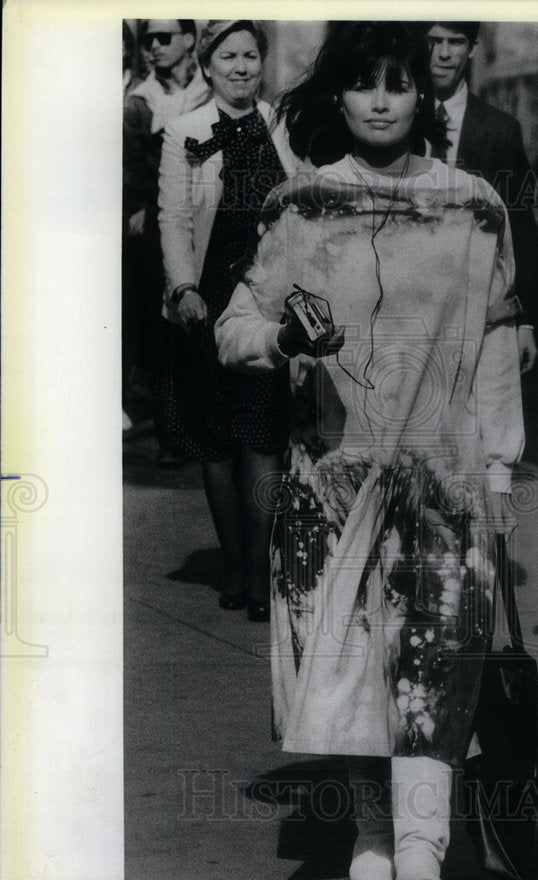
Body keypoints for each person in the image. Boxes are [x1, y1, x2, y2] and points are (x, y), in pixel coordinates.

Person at [215, 22, 524, 880]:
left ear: (421, 95)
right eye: (364, 84)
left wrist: (501, 465)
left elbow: (499, 344)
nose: (383, 100)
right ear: (339, 97)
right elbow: (235, 325)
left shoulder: (473, 206)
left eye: (398, 83)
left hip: (443, 474)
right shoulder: (300, 206)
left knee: (433, 657)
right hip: (330, 475)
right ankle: (376, 825)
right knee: (346, 655)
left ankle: (423, 857)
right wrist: (278, 341)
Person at [158, 20, 301, 620]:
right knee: (217, 442)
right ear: (208, 66)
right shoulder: (184, 131)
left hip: (266, 301)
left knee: (263, 435)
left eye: (250, 56)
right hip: (207, 301)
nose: (241, 67)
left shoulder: (280, 125)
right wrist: (184, 287)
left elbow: (300, 202)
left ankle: (266, 574)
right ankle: (236, 568)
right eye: (229, 57)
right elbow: (173, 219)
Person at [423, 21, 538, 373]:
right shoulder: (396, 122)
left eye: (455, 42)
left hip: (477, 313)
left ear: (472, 47)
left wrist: (526, 322)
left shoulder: (501, 131)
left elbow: (520, 227)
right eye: (434, 41)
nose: (443, 53)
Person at [122, 20, 210, 455]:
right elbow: (133, 167)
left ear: (190, 39)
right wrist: (139, 205)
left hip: (209, 212)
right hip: (159, 218)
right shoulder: (141, 102)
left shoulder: (209, 88)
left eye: (164, 37)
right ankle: (172, 432)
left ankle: (205, 421)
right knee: (166, 321)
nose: (154, 47)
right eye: (148, 40)